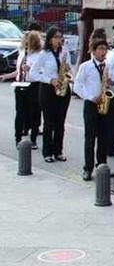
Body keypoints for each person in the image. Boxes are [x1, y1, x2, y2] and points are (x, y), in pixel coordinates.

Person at [72, 39, 114, 181]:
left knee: (104, 137)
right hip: (91, 104)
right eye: (100, 49)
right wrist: (91, 97)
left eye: (105, 49)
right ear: (93, 51)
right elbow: (77, 86)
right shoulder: (86, 66)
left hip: (105, 103)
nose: (103, 52)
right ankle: (88, 168)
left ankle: (102, 165)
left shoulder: (109, 66)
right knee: (90, 138)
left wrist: (111, 83)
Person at [31, 26, 72, 163]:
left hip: (63, 88)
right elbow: (33, 73)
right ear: (50, 40)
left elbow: (69, 69)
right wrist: (50, 80)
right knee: (49, 122)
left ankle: (58, 151)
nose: (59, 40)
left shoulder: (64, 52)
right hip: (48, 90)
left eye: (61, 37)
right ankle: (47, 152)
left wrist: (68, 69)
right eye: (56, 37)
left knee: (60, 122)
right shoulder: (44, 54)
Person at [9, 31, 42, 148]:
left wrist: (30, 68)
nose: (26, 42)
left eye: (29, 40)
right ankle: (18, 138)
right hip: (20, 84)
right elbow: (18, 70)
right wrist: (6, 76)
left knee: (34, 112)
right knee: (20, 112)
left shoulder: (39, 54)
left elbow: (42, 71)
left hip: (33, 85)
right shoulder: (22, 52)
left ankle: (33, 139)